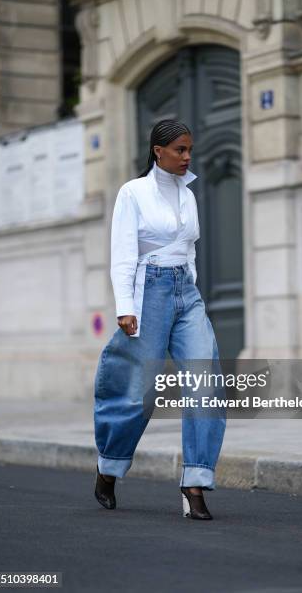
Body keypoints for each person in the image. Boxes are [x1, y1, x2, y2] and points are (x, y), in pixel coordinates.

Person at [93, 119, 227, 519]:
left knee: (208, 383)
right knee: (138, 393)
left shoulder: (189, 195)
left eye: (189, 150)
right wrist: (125, 307)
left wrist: (191, 290)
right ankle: (110, 466)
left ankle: (195, 483)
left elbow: (188, 250)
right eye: (180, 150)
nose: (188, 157)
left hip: (186, 293)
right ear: (158, 151)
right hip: (147, 292)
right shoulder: (133, 192)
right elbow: (122, 253)